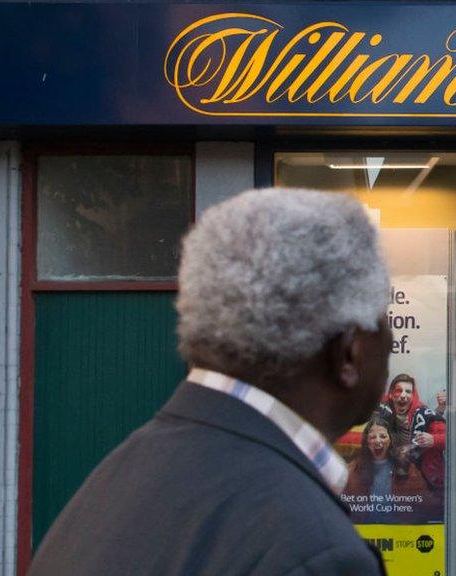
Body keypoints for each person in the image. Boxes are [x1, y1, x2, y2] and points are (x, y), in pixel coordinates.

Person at [29, 188, 393, 575]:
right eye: (383, 317)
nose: (389, 341)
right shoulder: (315, 552)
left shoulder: (118, 481)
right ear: (349, 352)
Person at [342, 417, 436, 523]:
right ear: (366, 442)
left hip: (399, 532)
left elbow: (425, 504)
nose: (378, 441)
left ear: (390, 439)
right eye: (372, 437)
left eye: (383, 436)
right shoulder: (353, 470)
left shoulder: (408, 468)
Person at [377, 374, 447, 492]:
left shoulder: (422, 412)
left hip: (419, 473)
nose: (403, 395)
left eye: (408, 391)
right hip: (388, 468)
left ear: (413, 395)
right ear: (391, 394)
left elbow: (454, 439)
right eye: (399, 391)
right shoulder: (383, 405)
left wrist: (434, 440)